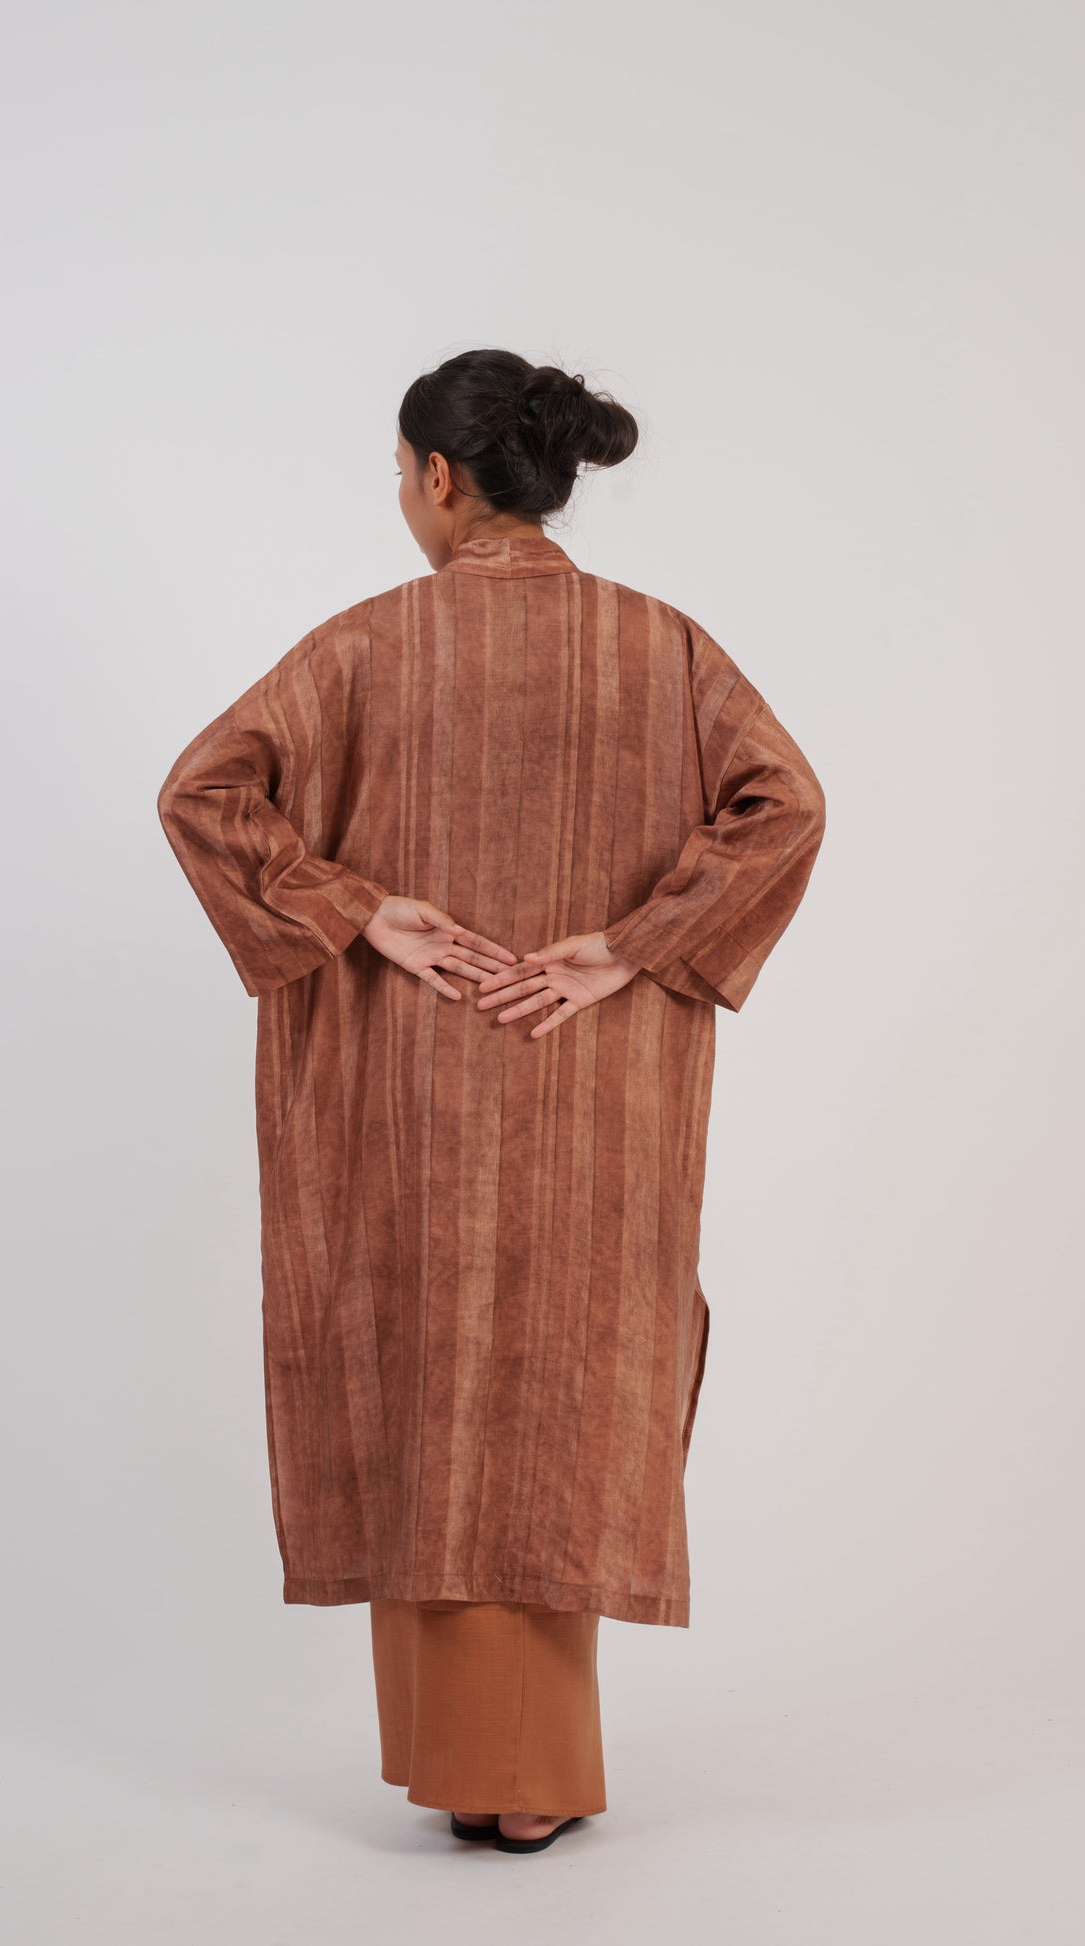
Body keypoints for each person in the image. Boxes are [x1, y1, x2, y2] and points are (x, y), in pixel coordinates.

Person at [157, 348, 826, 1855]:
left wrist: (358, 910)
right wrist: (628, 949)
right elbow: (784, 802)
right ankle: (499, 1768)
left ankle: (507, 1772)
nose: (401, 497)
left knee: (428, 1387)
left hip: (405, 1091)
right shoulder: (661, 648)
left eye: (401, 474)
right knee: (558, 1396)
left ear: (440, 478)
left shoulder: (361, 649)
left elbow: (203, 791)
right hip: (595, 1094)